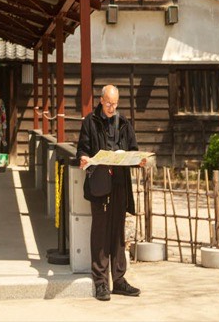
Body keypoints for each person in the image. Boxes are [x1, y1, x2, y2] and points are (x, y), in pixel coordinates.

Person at [78, 84, 146, 301]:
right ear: (100, 100)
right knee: (100, 232)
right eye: (108, 103)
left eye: (115, 104)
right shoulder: (90, 121)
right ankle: (100, 283)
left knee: (118, 232)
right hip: (99, 182)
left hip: (119, 183)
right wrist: (83, 159)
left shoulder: (124, 123)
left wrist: (139, 160)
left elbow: (133, 149)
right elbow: (82, 149)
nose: (111, 107)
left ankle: (119, 280)